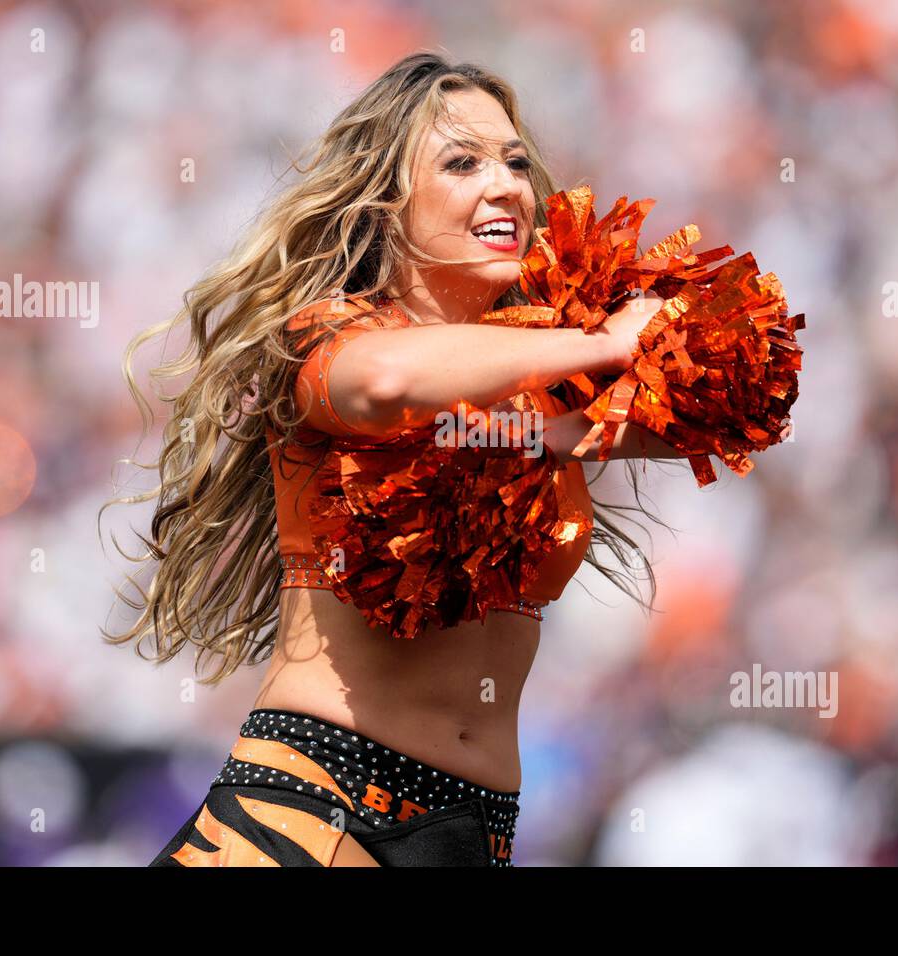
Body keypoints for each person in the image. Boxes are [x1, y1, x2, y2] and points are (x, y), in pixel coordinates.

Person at [103, 51, 684, 867]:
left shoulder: (537, 377)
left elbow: (703, 425)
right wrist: (596, 345)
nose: (507, 183)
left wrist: (665, 338)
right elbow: (385, 383)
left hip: (476, 833)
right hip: (314, 806)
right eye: (463, 161)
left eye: (517, 162)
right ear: (384, 205)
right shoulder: (330, 337)